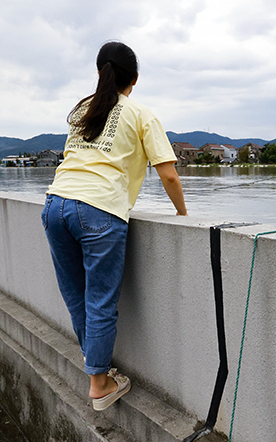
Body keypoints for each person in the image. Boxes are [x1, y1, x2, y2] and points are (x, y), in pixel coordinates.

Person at [42, 41, 186, 411]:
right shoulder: (141, 114)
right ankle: (99, 385)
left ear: (99, 72)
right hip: (99, 210)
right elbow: (168, 175)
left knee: (77, 297)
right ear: (134, 79)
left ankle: (98, 373)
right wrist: (184, 216)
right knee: (100, 301)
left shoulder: (82, 110)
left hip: (56, 205)